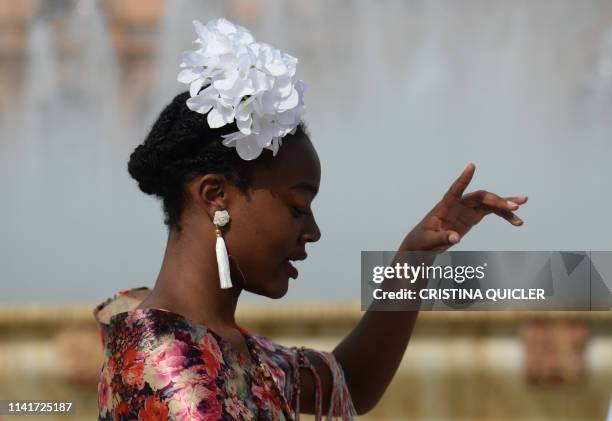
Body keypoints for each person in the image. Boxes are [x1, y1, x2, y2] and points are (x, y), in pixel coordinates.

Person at [93, 18, 528, 421]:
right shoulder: (172, 379)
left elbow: (348, 382)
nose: (314, 231)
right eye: (298, 207)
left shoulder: (210, 337)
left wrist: (413, 258)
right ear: (215, 195)